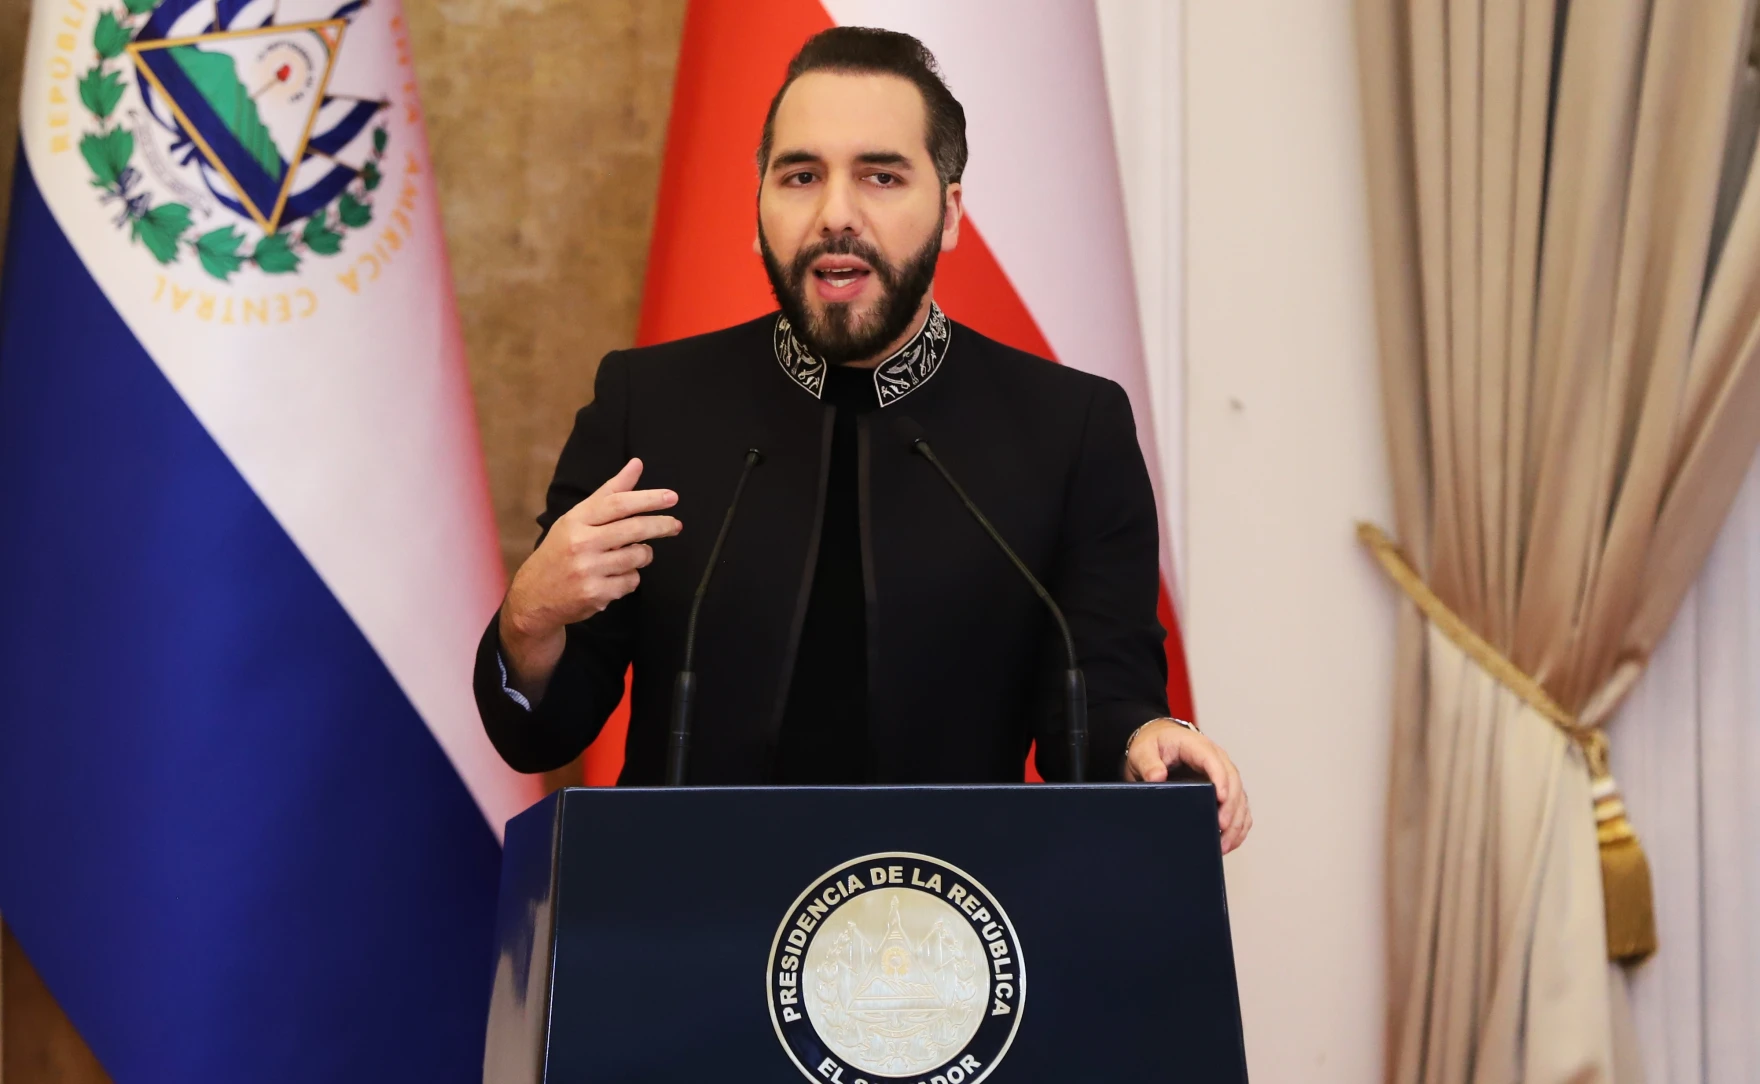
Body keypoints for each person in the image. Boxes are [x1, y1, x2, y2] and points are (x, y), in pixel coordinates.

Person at [474, 26, 1252, 853]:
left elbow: (1101, 689)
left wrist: (1144, 742)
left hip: (955, 927)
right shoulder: (649, 406)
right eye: (801, 175)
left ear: (950, 212)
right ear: (759, 206)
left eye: (881, 176)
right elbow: (543, 733)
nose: (835, 215)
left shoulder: (1068, 429)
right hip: (692, 928)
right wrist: (528, 622)